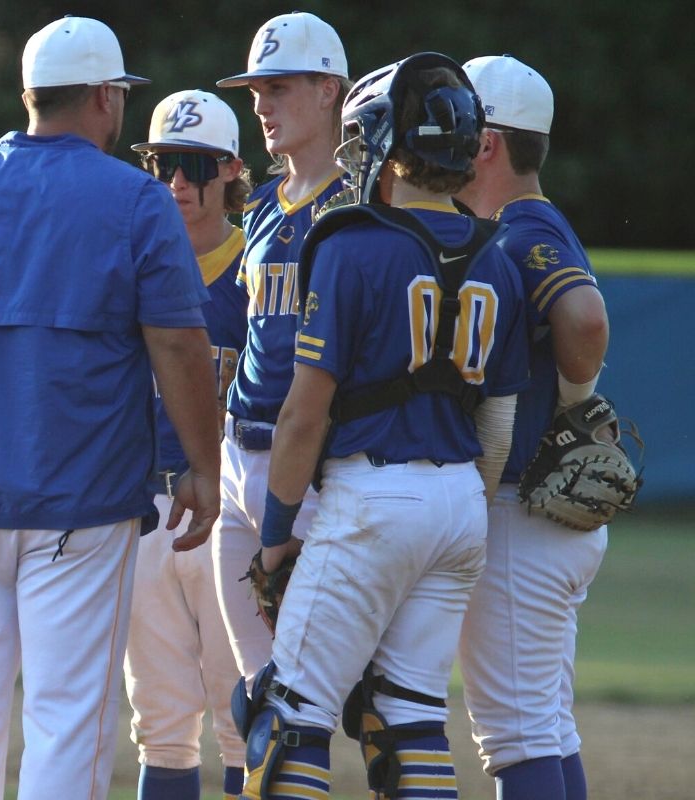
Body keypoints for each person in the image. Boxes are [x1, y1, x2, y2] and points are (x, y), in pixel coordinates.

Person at [0, 16, 223, 800]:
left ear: (29, 96)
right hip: (81, 507)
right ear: (101, 96)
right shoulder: (135, 199)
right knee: (67, 717)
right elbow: (181, 347)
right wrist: (202, 464)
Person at [245, 53, 530, 799]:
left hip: (373, 498)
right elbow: (497, 426)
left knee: (288, 718)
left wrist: (276, 542)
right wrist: (460, 507)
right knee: (410, 718)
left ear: (386, 140)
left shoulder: (349, 242)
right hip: (461, 501)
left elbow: (303, 415)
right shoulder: (499, 252)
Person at [455, 55, 610, 800]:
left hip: (522, 509)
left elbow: (584, 315)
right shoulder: (516, 225)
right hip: (544, 517)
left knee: (517, 735)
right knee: (545, 727)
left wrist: (578, 404)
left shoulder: (517, 230)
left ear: (486, 143)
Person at [211, 11, 351, 684]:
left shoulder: (361, 202)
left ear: (330, 90)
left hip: (314, 468)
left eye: (280, 87)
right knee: (256, 690)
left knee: (319, 693)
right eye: (256, 91)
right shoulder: (264, 204)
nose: (261, 105)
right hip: (238, 456)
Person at [125, 89, 251, 800]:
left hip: (232, 502)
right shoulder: (131, 261)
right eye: (162, 162)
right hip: (145, 501)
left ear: (232, 168)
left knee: (241, 712)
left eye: (195, 165)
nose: (176, 182)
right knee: (162, 720)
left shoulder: (260, 260)